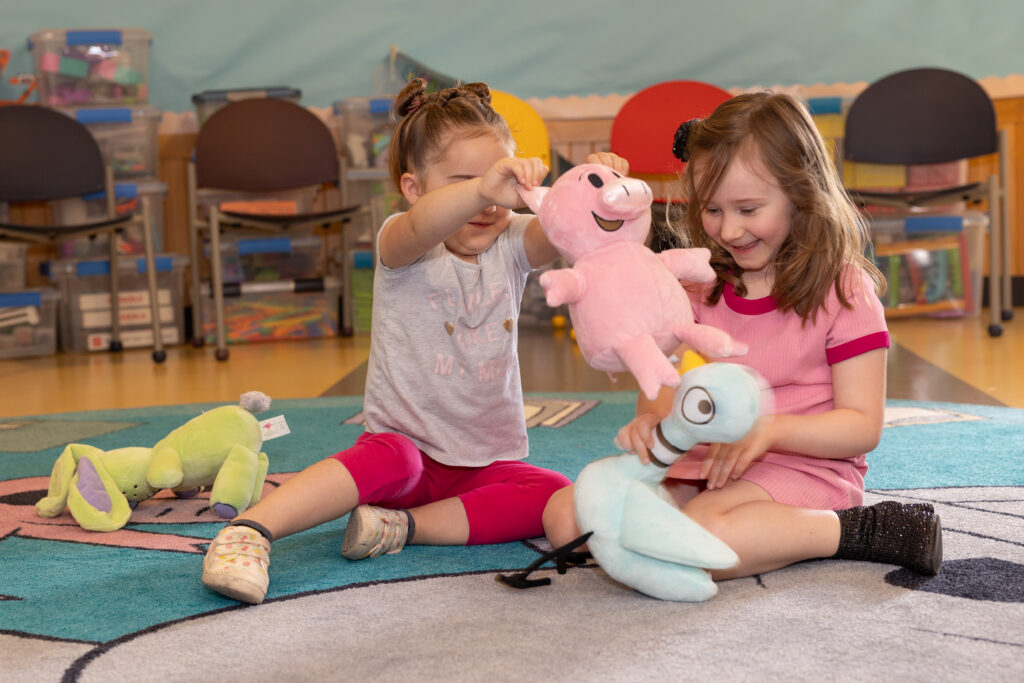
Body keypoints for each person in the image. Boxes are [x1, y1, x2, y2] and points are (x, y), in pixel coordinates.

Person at [201, 78, 630, 604]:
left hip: (479, 462)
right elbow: (425, 226)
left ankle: (400, 527)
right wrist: (481, 187)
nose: (491, 201)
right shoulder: (401, 238)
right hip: (402, 455)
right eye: (465, 181)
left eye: (501, 184)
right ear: (413, 188)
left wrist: (597, 188)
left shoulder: (512, 239)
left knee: (550, 493)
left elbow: (567, 232)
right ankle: (248, 531)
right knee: (388, 458)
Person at [544, 91, 942, 582]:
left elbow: (861, 426)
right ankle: (664, 550)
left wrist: (770, 431)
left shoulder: (844, 289)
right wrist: (650, 426)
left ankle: (859, 530)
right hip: (700, 463)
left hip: (803, 467)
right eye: (712, 210)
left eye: (749, 209)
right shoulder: (693, 286)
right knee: (567, 515)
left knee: (702, 533)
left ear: (801, 193)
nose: (728, 230)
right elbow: (661, 393)